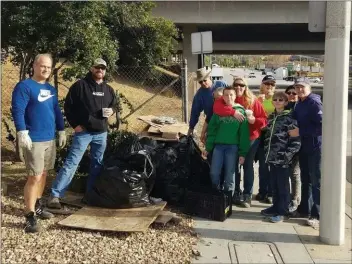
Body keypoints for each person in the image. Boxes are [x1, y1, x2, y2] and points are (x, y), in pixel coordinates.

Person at [47, 58, 118, 209]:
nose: (100, 70)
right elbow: (68, 107)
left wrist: (112, 110)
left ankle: (90, 196)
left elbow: (114, 105)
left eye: (103, 68)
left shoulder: (109, 89)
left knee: (97, 165)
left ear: (105, 71)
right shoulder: (80, 86)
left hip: (101, 133)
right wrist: (75, 125)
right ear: (92, 68)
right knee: (72, 163)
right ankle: (55, 195)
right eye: (97, 67)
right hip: (84, 132)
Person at [11, 53, 66, 233]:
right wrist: (22, 131)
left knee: (43, 174)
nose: (46, 70)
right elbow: (18, 109)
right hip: (33, 138)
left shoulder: (50, 89)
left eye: (49, 67)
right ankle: (29, 216)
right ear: (34, 66)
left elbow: (56, 110)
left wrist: (61, 129)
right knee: (33, 177)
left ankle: (38, 205)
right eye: (43, 66)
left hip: (49, 137)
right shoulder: (24, 86)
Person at [213, 77, 267, 207]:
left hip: (251, 138)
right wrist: (232, 111)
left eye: (241, 85)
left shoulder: (253, 101)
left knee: (247, 165)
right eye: (236, 85)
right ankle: (236, 192)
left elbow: (264, 120)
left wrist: (254, 120)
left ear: (245, 87)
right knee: (233, 168)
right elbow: (216, 108)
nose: (238, 88)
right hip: (233, 139)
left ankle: (247, 194)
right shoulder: (229, 97)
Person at [260, 92, 301, 223]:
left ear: (285, 102)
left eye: (281, 100)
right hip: (271, 158)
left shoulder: (289, 118)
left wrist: (287, 156)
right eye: (275, 100)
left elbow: (296, 141)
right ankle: (275, 207)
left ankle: (283, 211)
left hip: (283, 159)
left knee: (283, 186)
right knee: (274, 185)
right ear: (272, 102)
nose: (278, 101)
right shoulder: (271, 117)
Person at [203, 86, 250, 195]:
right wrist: (208, 147)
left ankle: (228, 197)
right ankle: (216, 193)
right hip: (218, 147)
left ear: (235, 96)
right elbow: (212, 131)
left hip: (232, 147)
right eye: (226, 95)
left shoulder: (241, 112)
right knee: (214, 172)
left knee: (230, 174)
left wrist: (242, 153)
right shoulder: (219, 111)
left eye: (231, 95)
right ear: (222, 97)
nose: (229, 97)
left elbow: (243, 135)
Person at [291, 77, 322, 228]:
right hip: (304, 146)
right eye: (297, 87)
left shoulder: (314, 102)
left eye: (302, 87)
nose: (299, 90)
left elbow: (323, 125)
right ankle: (305, 209)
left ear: (309, 87)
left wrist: (301, 131)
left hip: (316, 147)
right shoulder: (299, 103)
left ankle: (318, 214)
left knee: (317, 181)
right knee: (306, 179)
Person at [188, 67, 235, 143]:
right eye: (200, 82)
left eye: (204, 80)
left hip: (228, 119)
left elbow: (233, 95)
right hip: (212, 122)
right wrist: (191, 128)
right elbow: (195, 112)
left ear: (209, 77)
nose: (203, 83)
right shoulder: (199, 95)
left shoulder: (221, 84)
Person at [255, 75, 276, 204]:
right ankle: (262, 191)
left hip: (273, 136)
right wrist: (258, 101)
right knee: (262, 165)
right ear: (262, 85)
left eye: (272, 85)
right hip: (260, 135)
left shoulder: (277, 98)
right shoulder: (257, 99)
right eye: (267, 84)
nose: (269, 87)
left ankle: (271, 193)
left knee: (271, 165)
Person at [285, 85, 301, 213]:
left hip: (297, 145)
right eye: (289, 93)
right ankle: (286, 198)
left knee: (294, 174)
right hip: (283, 145)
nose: (291, 95)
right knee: (285, 173)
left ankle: (295, 199)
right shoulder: (284, 106)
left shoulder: (300, 107)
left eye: (294, 93)